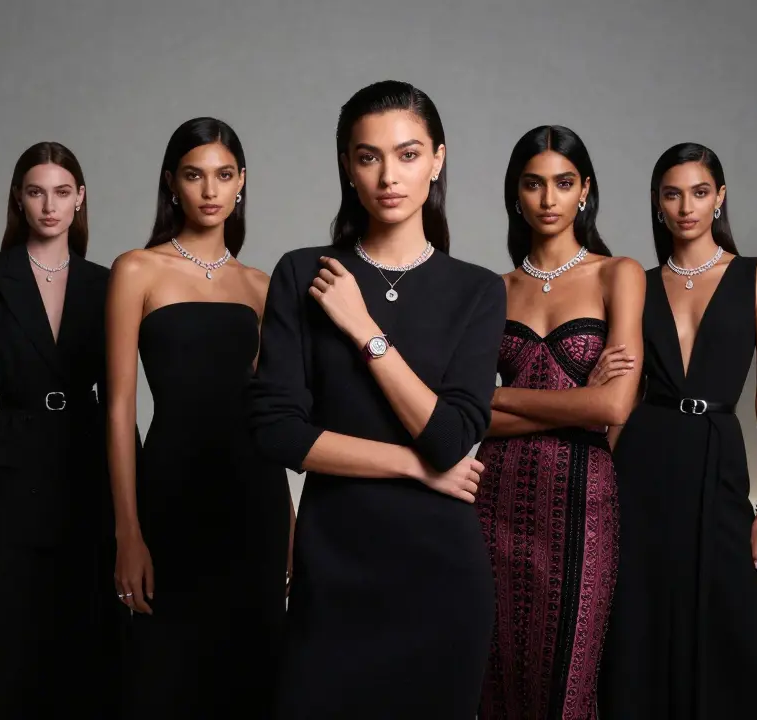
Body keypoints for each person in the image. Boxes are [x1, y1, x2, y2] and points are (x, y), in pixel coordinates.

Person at [248, 80, 505, 719]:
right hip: (335, 563)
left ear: (438, 160)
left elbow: (452, 438)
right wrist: (414, 466)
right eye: (369, 157)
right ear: (347, 165)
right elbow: (278, 432)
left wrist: (364, 329)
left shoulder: (476, 290)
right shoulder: (302, 273)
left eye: (409, 154)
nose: (389, 175)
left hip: (440, 572)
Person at [598, 143, 757, 719]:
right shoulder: (639, 281)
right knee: (639, 604)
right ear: (658, 205)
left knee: (728, 607)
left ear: (720, 197)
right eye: (672, 194)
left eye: (700, 192)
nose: (687, 207)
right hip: (643, 457)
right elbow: (621, 396)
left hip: (717, 455)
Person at [108, 117, 291, 718]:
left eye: (223, 175)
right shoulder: (137, 268)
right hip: (170, 494)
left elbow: (271, 412)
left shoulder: (262, 286)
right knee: (165, 670)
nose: (210, 190)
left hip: (254, 497)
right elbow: (119, 407)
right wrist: (127, 531)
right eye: (194, 175)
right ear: (171, 184)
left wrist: (289, 518)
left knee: (251, 666)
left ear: (242, 183)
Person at [0, 142, 118, 718]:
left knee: (84, 617)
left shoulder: (108, 281)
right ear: (18, 198)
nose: (49, 206)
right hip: (13, 470)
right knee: (4, 622)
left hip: (88, 465)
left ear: (80, 199)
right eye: (36, 192)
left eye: (62, 193)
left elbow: (119, 400)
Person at [475, 126, 644, 719]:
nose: (548, 199)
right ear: (515, 195)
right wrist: (579, 400)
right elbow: (465, 416)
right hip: (493, 497)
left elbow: (614, 408)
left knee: (569, 685)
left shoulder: (617, 274)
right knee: (497, 677)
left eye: (563, 183)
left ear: (585, 191)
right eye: (534, 184)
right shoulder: (491, 291)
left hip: (581, 496)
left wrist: (502, 402)